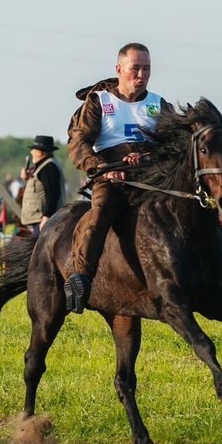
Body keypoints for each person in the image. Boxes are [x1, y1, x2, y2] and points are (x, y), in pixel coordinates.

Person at [66, 43, 170, 314]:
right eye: (135, 68)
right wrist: (100, 166)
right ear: (119, 69)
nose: (141, 75)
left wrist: (148, 156)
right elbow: (79, 141)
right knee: (100, 214)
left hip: (150, 179)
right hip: (110, 177)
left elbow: (175, 144)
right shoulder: (99, 101)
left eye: (147, 69)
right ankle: (81, 278)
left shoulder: (159, 105)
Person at [20, 135, 65, 236]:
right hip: (40, 219)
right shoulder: (44, 166)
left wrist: (47, 216)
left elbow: (53, 194)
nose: (31, 152)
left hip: (44, 219)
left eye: (33, 150)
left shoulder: (49, 167)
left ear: (40, 152)